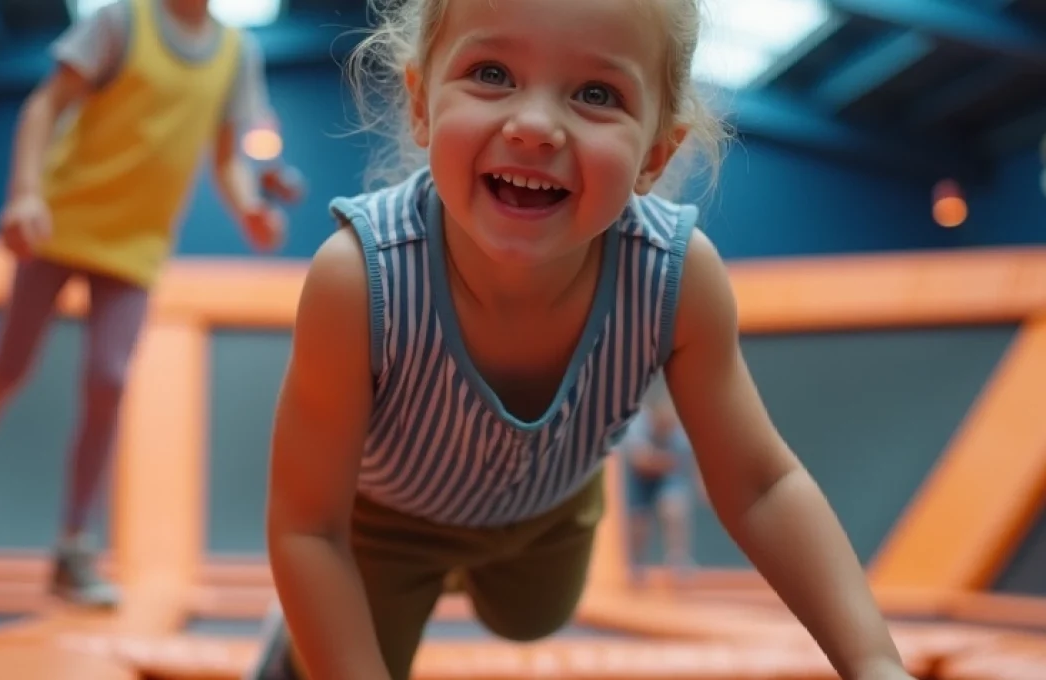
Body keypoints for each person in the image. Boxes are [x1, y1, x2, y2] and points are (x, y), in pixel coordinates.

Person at [252, 0, 918, 678]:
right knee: (335, 655)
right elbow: (308, 526)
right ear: (422, 104)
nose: (537, 126)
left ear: (655, 153)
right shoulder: (363, 280)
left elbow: (762, 486)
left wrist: (871, 661)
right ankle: (297, 637)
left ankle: (477, 573)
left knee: (528, 618)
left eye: (597, 94)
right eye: (491, 73)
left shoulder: (672, 277)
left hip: (549, 515)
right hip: (386, 526)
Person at [0, 0, 302, 609]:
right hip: (60, 219)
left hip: (137, 245)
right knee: (9, 365)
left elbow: (224, 157)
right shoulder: (122, 22)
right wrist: (23, 194)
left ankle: (73, 546)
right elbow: (44, 105)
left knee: (109, 379)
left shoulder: (236, 54)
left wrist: (249, 207)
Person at [617, 380, 703, 588]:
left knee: (674, 507)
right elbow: (641, 461)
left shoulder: (680, 432)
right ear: (654, 415)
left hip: (668, 477)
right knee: (639, 523)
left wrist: (702, 486)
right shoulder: (638, 425)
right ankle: (637, 566)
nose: (667, 424)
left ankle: (678, 560)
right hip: (641, 479)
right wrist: (668, 461)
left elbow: (693, 461)